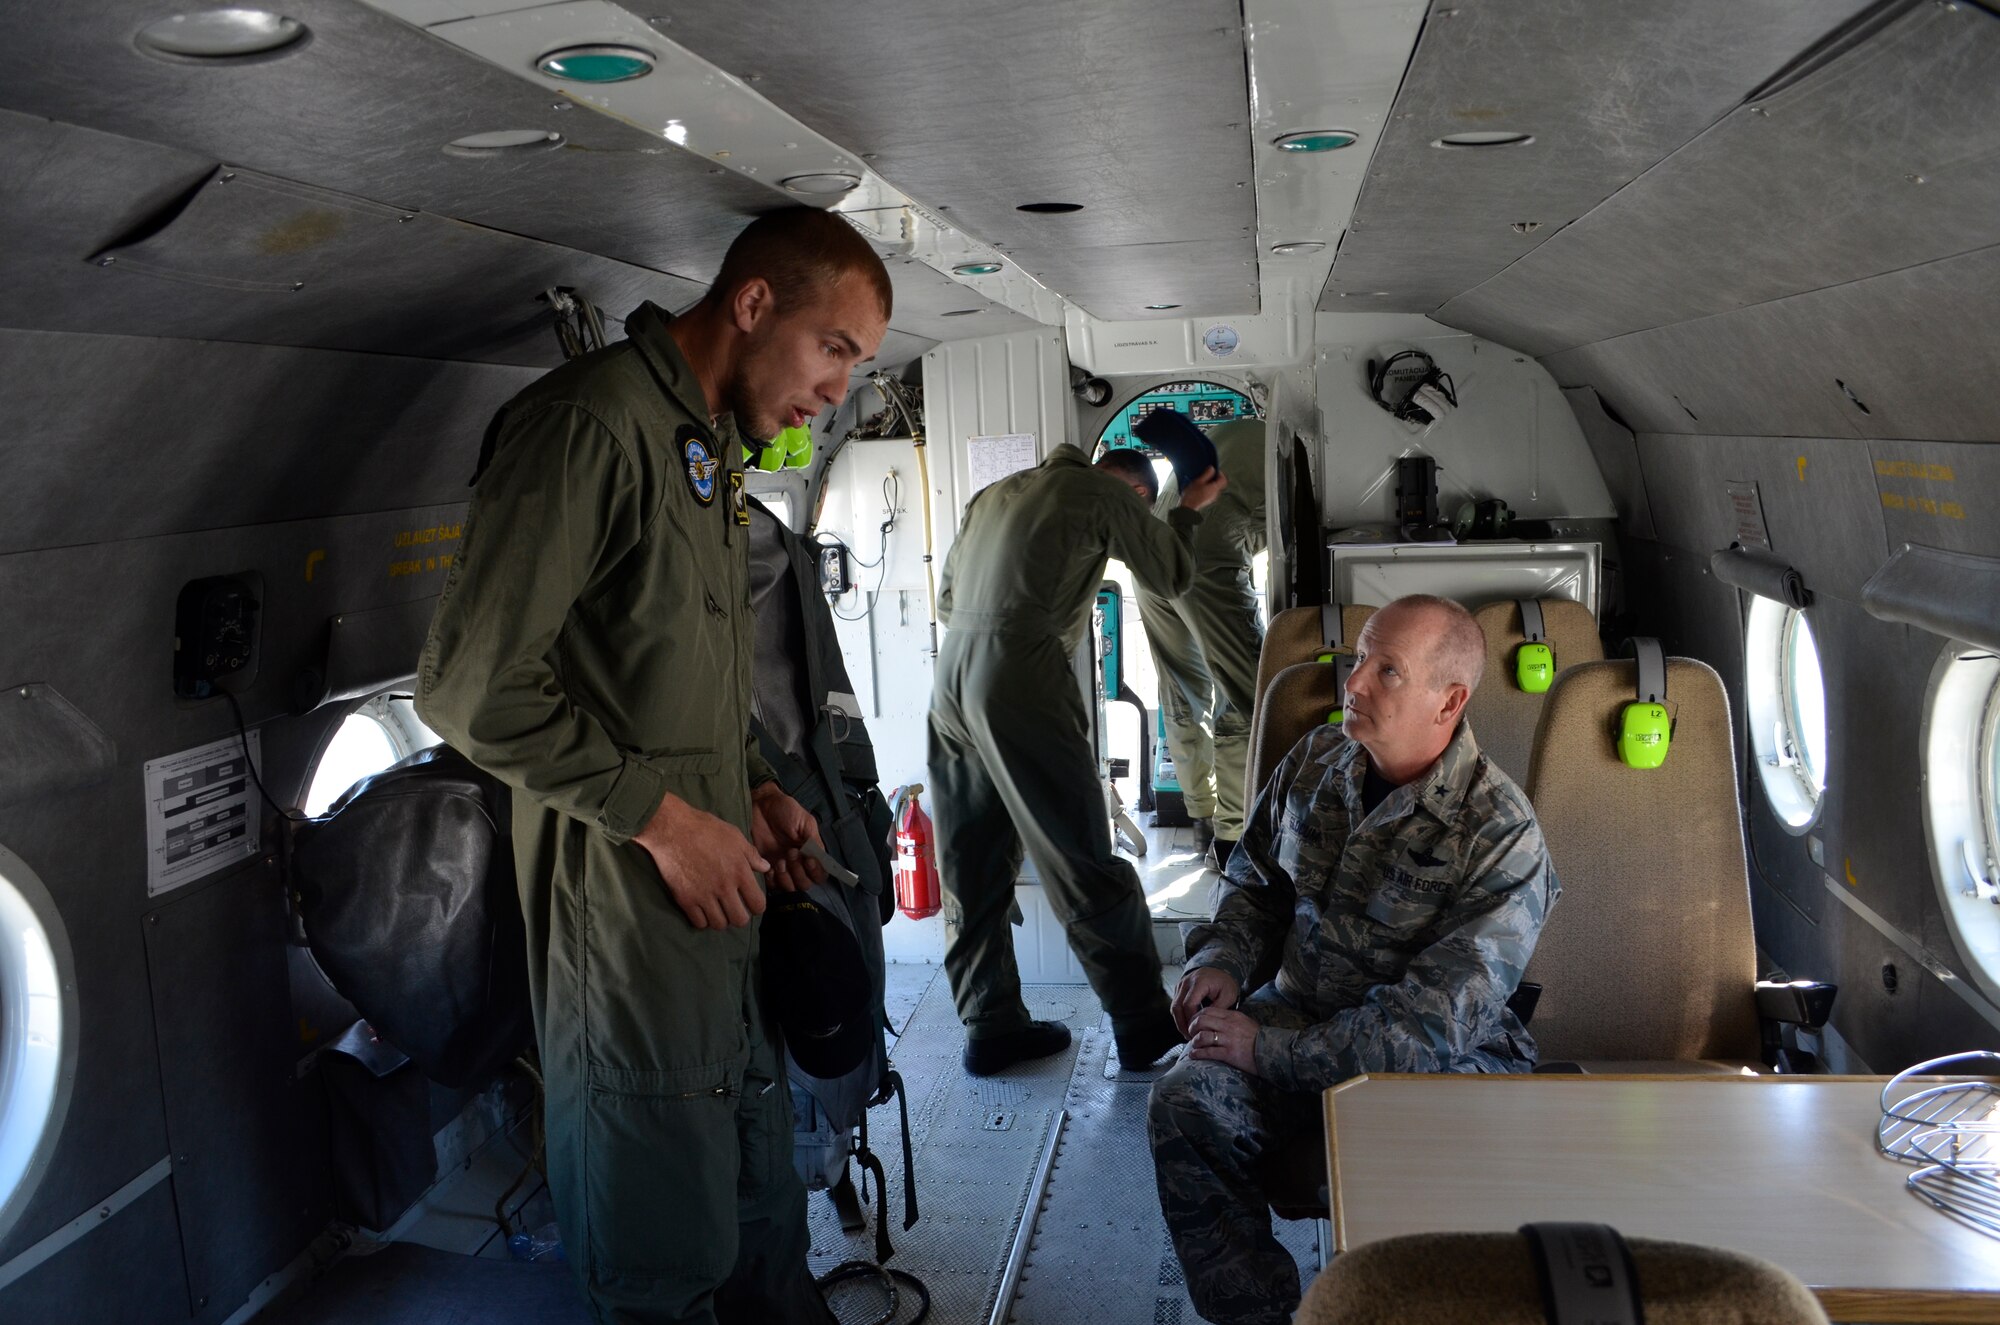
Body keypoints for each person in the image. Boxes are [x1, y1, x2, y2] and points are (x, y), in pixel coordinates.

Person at [416, 206, 890, 1325]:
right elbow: (471, 689)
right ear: (754, 302)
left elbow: (691, 672)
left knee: (756, 1214)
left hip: (722, 900)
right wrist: (664, 820)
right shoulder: (587, 427)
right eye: (834, 347)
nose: (836, 389)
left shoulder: (705, 445)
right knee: (655, 1249)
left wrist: (758, 783)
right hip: (622, 920)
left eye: (857, 365)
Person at [1148, 595, 1559, 1325]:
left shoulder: (1500, 830)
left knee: (1393, 1157)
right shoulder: (1317, 759)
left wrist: (1269, 1049)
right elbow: (1257, 882)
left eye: (1388, 670)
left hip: (1436, 1064)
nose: (1355, 682)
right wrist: (1224, 961)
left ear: (1449, 699)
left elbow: (1429, 1029)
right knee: (1184, 1101)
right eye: (1360, 657)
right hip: (1300, 1014)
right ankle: (1265, 1314)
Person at [929, 443, 1226, 1076]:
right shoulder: (1107, 496)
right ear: (1138, 496)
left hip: (951, 678)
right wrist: (1189, 511)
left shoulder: (999, 492)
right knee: (1082, 855)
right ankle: (1143, 1025)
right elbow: (1169, 574)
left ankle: (990, 1026)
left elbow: (947, 603)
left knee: (971, 859)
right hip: (1018, 676)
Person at [1131, 417, 1268, 870]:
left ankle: (1201, 819)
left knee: (1181, 688)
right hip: (1206, 544)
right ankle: (1231, 840)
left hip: (1159, 539)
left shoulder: (1246, 429)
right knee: (1246, 695)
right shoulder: (1314, 445)